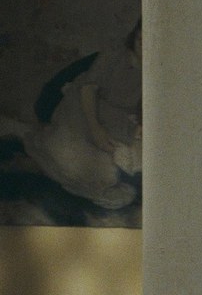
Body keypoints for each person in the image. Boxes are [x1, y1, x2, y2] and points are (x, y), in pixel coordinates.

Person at [21, 19, 143, 209]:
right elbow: (88, 90)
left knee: (131, 160)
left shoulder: (158, 69)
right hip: (86, 107)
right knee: (88, 167)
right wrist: (96, 129)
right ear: (134, 37)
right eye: (140, 40)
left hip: (118, 118)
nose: (143, 47)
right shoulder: (115, 54)